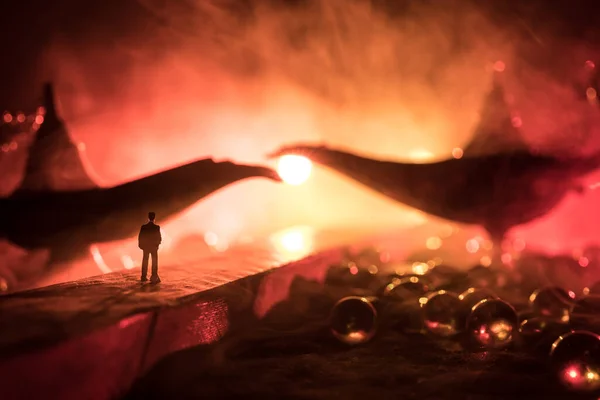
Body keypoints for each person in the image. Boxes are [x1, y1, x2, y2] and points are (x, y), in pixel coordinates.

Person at [138, 211, 162, 283]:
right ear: (154, 218)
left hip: (146, 247)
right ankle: (154, 276)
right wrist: (157, 245)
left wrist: (141, 246)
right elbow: (159, 238)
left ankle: (143, 276)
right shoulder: (157, 227)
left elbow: (140, 237)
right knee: (154, 262)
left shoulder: (143, 227)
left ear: (148, 218)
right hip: (153, 247)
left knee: (145, 261)